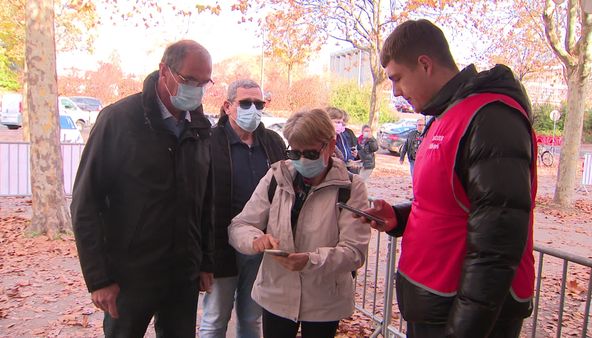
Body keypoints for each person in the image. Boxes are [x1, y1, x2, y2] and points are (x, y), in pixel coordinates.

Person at [359, 19, 537, 337]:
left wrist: (464, 329)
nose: (396, 91)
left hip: (462, 315)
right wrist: (398, 217)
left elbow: (498, 240)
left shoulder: (491, 118)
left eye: (397, 78)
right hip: (435, 303)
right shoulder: (444, 116)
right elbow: (445, 202)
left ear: (425, 64)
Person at [71, 40, 215, 337]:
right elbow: (85, 203)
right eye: (190, 80)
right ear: (164, 71)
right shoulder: (119, 120)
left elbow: (205, 199)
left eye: (204, 83)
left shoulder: (200, 128)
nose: (197, 90)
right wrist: (98, 279)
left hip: (182, 275)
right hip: (129, 276)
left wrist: (205, 261)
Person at [228, 108, 371, 338]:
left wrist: (309, 261)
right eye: (294, 153)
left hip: (325, 300)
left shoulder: (351, 188)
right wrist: (255, 240)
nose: (302, 160)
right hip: (276, 293)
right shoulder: (276, 176)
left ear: (330, 146)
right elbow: (240, 225)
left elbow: (354, 251)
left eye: (311, 154)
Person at [200, 79, 286, 338]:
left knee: (251, 318)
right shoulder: (210, 141)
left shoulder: (272, 142)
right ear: (227, 106)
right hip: (220, 244)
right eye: (245, 103)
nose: (253, 109)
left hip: (261, 244)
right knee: (215, 319)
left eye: (258, 104)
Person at [326, 106, 359, 173]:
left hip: (343, 171)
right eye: (337, 122)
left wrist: (351, 161)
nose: (340, 125)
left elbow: (347, 153)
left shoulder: (341, 136)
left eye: (341, 123)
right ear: (327, 121)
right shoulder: (322, 139)